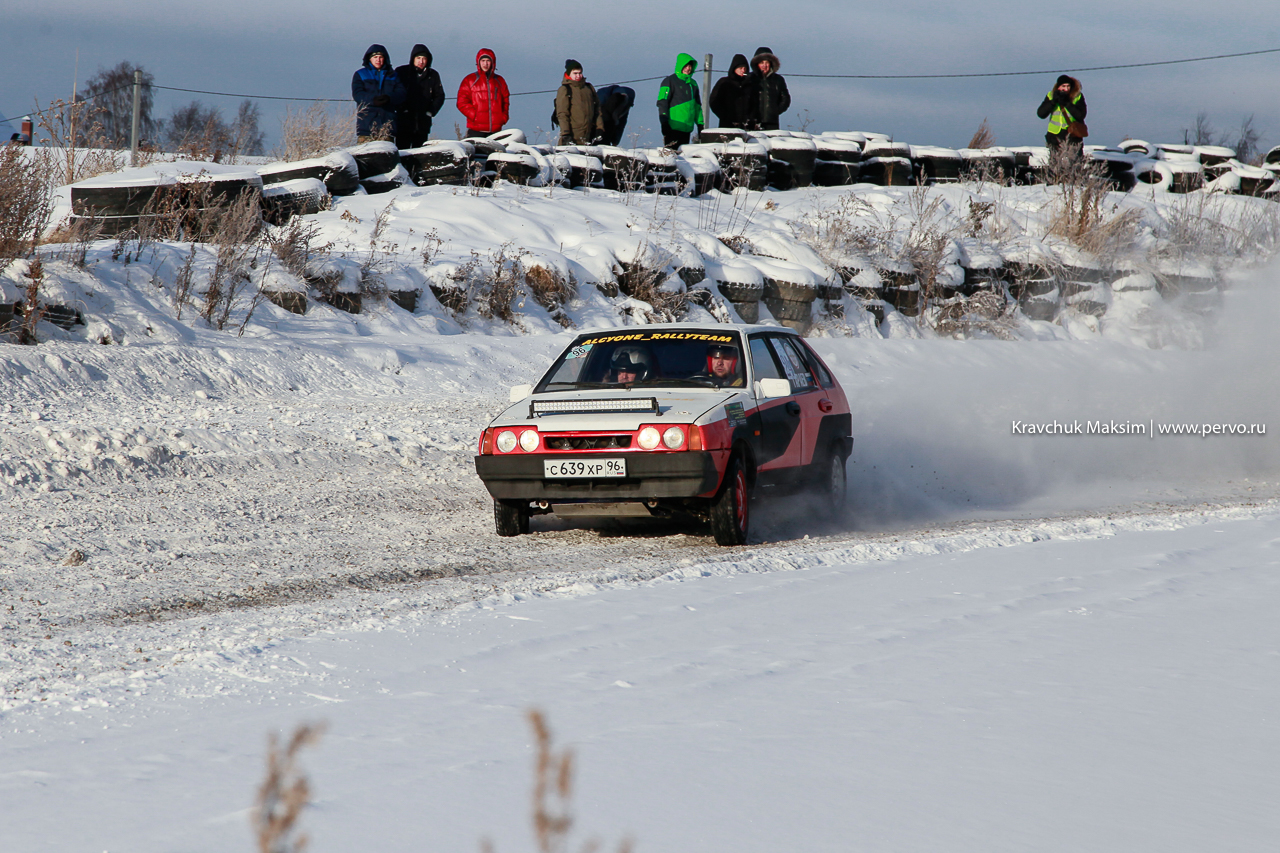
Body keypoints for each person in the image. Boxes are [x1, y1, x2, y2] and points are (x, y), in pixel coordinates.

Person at [394, 44, 446, 149]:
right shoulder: (402, 72)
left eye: (424, 58)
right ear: (413, 58)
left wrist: (431, 111)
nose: (421, 61)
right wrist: (401, 108)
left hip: (423, 123)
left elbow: (439, 95)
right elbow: (394, 92)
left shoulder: (433, 75)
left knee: (420, 153)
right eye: (418, 58)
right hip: (404, 122)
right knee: (402, 152)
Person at [352, 44, 407, 143]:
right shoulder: (360, 74)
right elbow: (358, 94)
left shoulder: (393, 75)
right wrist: (373, 100)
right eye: (375, 57)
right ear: (369, 59)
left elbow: (401, 93)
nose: (378, 60)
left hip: (387, 126)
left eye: (381, 57)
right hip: (366, 126)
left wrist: (389, 98)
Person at [457, 48, 510, 138]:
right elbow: (461, 102)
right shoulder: (470, 80)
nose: (485, 64)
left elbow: (505, 101)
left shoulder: (500, 81)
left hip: (495, 130)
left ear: (493, 62)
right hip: (476, 129)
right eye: (483, 61)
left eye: (488, 61)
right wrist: (474, 115)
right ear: (478, 62)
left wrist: (503, 117)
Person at [657, 53, 703, 149]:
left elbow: (697, 106)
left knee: (683, 156)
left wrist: (700, 124)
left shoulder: (693, 84)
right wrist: (664, 122)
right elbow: (662, 102)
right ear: (680, 65)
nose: (688, 68)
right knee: (671, 155)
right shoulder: (669, 81)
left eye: (690, 66)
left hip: (687, 128)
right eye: (686, 66)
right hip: (673, 127)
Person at [554, 60, 604, 146]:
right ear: (569, 74)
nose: (578, 76)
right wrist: (566, 133)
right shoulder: (565, 89)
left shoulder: (588, 88)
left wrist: (600, 128)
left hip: (589, 136)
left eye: (580, 73)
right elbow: (562, 113)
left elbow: (597, 110)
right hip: (572, 136)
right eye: (575, 73)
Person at [1037, 75, 1087, 153]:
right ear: (1058, 86)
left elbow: (1081, 115)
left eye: (1068, 86)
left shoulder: (1077, 96)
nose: (1066, 89)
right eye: (1063, 86)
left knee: (1074, 158)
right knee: (1055, 159)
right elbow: (1041, 114)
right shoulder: (1050, 95)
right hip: (1054, 134)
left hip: (1072, 134)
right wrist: (1053, 102)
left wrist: (1067, 103)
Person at [710, 54, 758, 130]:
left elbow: (755, 103)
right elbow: (714, 101)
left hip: (746, 127)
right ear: (734, 68)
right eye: (740, 68)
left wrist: (751, 118)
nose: (743, 70)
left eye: (745, 68)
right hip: (727, 126)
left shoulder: (750, 84)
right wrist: (724, 116)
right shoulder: (724, 82)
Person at [749, 47, 790, 131]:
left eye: (767, 62)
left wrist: (776, 111)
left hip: (771, 122)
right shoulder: (750, 78)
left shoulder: (778, 79)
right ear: (757, 64)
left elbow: (785, 99)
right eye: (762, 63)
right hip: (752, 121)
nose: (764, 65)